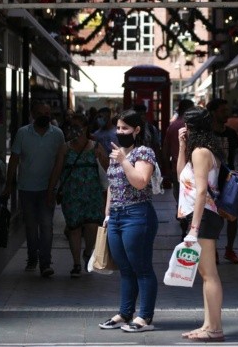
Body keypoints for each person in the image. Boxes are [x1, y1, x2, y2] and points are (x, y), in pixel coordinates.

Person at [98, 109, 159, 333]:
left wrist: (124, 161)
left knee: (141, 268)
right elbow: (112, 188)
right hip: (116, 217)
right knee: (125, 269)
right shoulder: (117, 153)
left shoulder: (143, 153)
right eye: (118, 127)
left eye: (125, 128)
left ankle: (145, 317)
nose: (120, 132)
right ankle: (125, 313)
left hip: (137, 215)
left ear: (137, 130)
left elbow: (140, 181)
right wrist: (107, 215)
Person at [176, 107, 226, 342]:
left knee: (209, 274)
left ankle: (214, 328)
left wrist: (193, 229)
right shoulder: (198, 151)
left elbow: (201, 191)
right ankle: (208, 325)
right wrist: (181, 147)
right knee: (206, 274)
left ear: (192, 127)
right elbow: (180, 178)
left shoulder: (201, 153)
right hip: (201, 216)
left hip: (203, 216)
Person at [3, 102, 65, 277]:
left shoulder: (58, 134)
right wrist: (8, 184)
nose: (44, 115)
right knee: (31, 226)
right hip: (26, 188)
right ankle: (32, 257)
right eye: (40, 113)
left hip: (48, 188)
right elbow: (14, 160)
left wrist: (56, 187)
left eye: (47, 112)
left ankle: (45, 262)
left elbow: (61, 161)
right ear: (32, 114)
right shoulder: (23, 133)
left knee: (46, 225)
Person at [47, 114, 109, 278]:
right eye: (71, 126)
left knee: (92, 227)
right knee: (74, 228)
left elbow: (108, 168)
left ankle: (88, 251)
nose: (74, 130)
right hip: (72, 194)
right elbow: (57, 170)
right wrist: (51, 191)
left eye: (77, 126)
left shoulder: (96, 146)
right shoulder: (65, 148)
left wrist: (102, 158)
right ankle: (76, 264)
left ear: (85, 128)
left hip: (93, 195)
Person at [207, 99, 238, 264]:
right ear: (213, 113)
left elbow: (236, 156)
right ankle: (212, 250)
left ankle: (229, 248)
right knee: (213, 218)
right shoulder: (206, 134)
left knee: (233, 216)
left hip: (229, 180)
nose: (226, 113)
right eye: (222, 111)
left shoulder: (231, 134)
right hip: (211, 181)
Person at [162, 99, 195, 239]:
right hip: (194, 170)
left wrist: (166, 170)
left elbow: (165, 151)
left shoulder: (173, 126)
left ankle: (184, 225)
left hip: (177, 171)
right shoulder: (194, 126)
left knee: (181, 200)